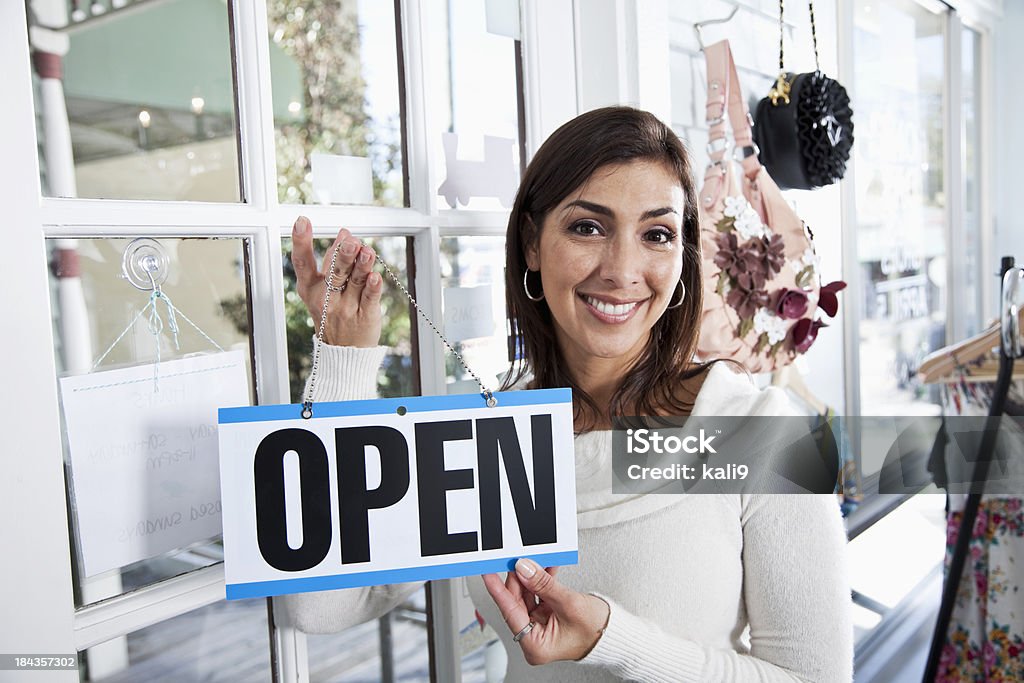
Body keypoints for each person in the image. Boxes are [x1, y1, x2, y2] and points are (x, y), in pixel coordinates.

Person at [285, 106, 853, 682]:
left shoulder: (767, 433)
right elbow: (320, 604)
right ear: (533, 243)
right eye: (588, 226)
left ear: (681, 257)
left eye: (656, 234)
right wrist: (344, 357)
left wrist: (614, 640)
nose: (622, 270)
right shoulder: (486, 441)